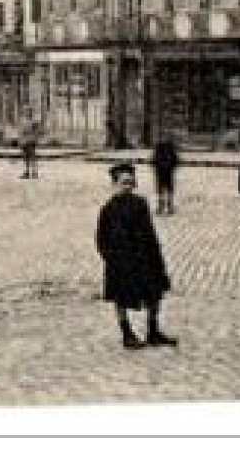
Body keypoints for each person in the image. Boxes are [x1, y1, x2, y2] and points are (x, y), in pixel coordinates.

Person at [95, 162, 177, 350]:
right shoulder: (108, 209)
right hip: (120, 261)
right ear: (115, 184)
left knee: (154, 293)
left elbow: (149, 232)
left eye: (131, 182)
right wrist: (111, 258)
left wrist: (155, 256)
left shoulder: (140, 204)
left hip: (144, 258)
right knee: (120, 297)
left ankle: (153, 331)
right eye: (124, 182)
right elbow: (101, 238)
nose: (128, 186)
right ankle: (127, 334)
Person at [152, 136, 180, 214]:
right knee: (168, 190)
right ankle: (168, 207)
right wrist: (171, 168)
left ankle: (162, 207)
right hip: (168, 172)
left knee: (161, 190)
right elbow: (176, 161)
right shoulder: (170, 149)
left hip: (161, 172)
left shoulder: (158, 149)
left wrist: (157, 168)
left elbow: (153, 161)